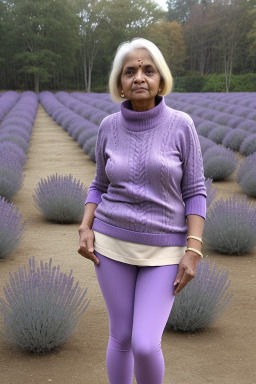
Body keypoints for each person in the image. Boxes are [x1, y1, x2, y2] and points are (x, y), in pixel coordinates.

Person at [78, 37, 206, 384]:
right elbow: (99, 184)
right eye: (130, 71)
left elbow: (195, 191)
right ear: (119, 83)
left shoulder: (181, 125)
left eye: (148, 70)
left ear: (160, 79)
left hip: (165, 250)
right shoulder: (108, 126)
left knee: (146, 344)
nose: (139, 77)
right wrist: (85, 227)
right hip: (111, 243)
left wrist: (193, 250)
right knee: (121, 337)